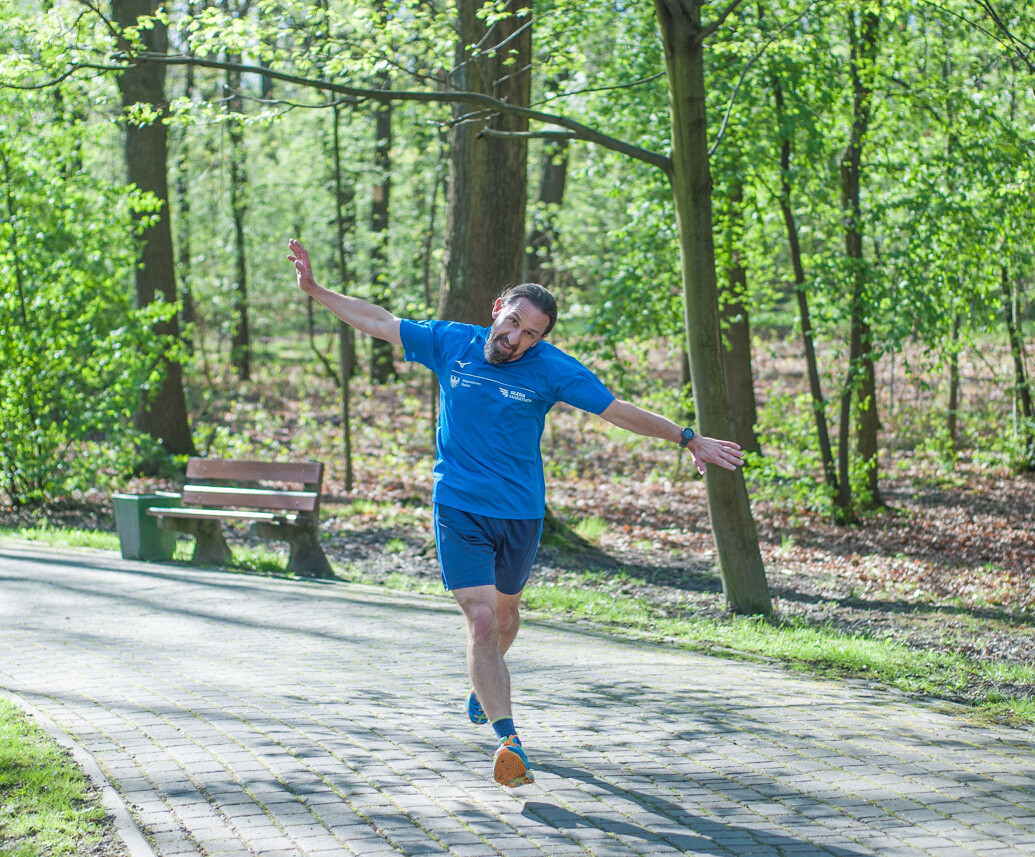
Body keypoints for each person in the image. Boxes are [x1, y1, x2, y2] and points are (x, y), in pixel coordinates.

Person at [287, 238, 744, 788]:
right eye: (514, 324)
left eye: (531, 334)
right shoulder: (449, 343)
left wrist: (686, 437)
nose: (517, 339)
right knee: (480, 622)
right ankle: (509, 739)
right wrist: (315, 291)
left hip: (521, 514)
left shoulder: (551, 368)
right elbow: (378, 320)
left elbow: (617, 410)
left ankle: (487, 682)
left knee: (505, 619)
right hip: (458, 505)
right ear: (499, 307)